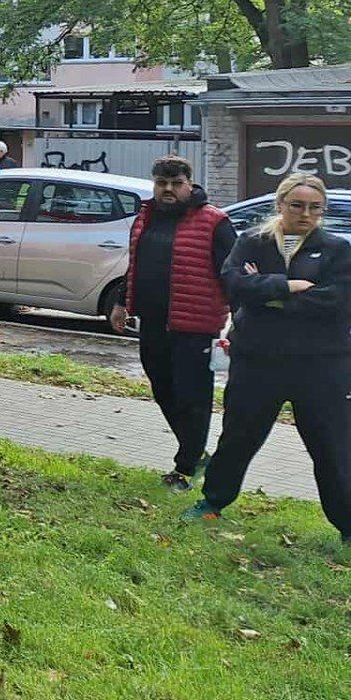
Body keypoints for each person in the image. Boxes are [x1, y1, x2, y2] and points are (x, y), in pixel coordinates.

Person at [183, 171, 351, 548]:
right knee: (238, 437)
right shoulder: (252, 243)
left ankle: (347, 524)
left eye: (314, 207)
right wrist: (288, 287)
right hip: (257, 361)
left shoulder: (338, 250)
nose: (305, 214)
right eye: (297, 205)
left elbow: (338, 303)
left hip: (322, 367)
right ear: (280, 205)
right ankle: (213, 501)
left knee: (333, 448)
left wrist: (266, 295)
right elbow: (234, 286)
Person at [108, 155, 238, 488]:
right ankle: (194, 452)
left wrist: (240, 321)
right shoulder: (145, 217)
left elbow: (233, 276)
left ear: (189, 184)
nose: (168, 190)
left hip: (195, 326)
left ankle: (185, 468)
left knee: (193, 397)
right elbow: (135, 265)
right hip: (153, 322)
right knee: (163, 389)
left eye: (175, 184)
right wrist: (122, 304)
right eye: (161, 183)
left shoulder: (214, 222)